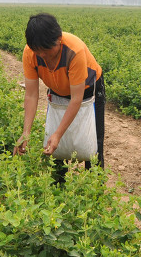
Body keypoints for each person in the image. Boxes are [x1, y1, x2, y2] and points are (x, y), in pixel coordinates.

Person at [14, 13, 106, 172]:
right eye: (38, 51)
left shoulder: (74, 51)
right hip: (57, 90)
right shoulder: (30, 53)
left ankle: (95, 188)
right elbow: (31, 94)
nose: (43, 55)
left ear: (58, 39)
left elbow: (76, 99)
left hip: (88, 90)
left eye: (47, 51)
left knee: (93, 143)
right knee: (55, 148)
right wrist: (26, 132)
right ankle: (58, 186)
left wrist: (58, 133)